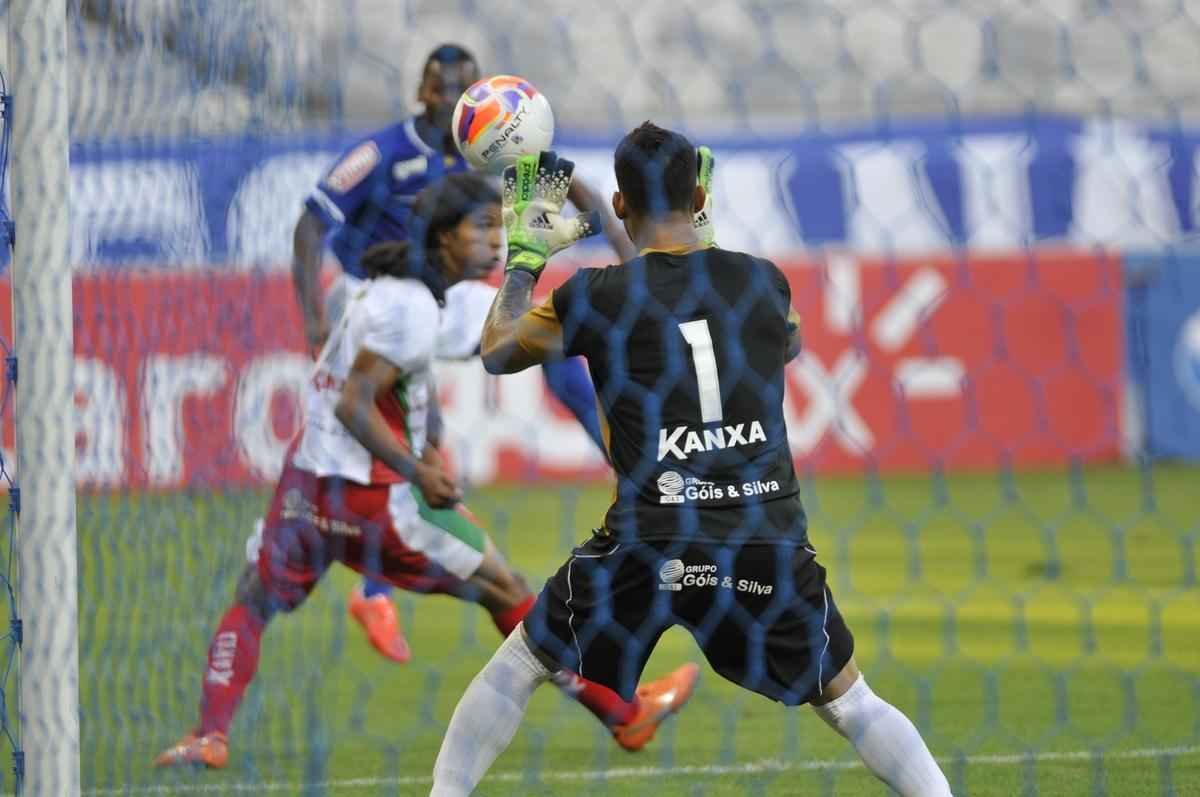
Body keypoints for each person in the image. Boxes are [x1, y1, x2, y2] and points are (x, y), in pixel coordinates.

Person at [428, 128, 954, 796]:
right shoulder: (764, 281)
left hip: (649, 542)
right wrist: (707, 243)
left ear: (618, 206)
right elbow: (787, 343)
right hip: (762, 536)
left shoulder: (598, 295)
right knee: (849, 700)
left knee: (521, 663)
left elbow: (499, 349)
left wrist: (527, 259)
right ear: (699, 194)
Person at [153, 173, 696, 770]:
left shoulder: (377, 291)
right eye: (483, 228)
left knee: (253, 599)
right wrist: (420, 467)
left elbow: (414, 370)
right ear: (442, 238)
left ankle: (210, 734)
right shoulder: (414, 307)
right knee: (508, 589)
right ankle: (625, 715)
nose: (495, 240)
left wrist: (558, 218)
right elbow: (355, 402)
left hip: (305, 488)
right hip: (378, 501)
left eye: (498, 226)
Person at [293, 43, 634, 661]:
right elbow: (311, 223)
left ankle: (629, 476)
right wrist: (317, 319)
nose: (453, 98)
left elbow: (590, 209)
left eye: (466, 89)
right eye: (442, 87)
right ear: (422, 94)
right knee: (411, 427)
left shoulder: (500, 153)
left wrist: (634, 269)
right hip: (378, 299)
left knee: (555, 341)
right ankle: (375, 584)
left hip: (449, 297)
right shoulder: (384, 153)